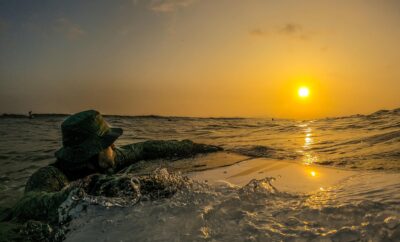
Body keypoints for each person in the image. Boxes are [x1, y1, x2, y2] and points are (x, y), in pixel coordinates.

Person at [1, 110, 222, 241]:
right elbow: (28, 204)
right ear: (92, 151)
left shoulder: (109, 159)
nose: (115, 147)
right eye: (109, 143)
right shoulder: (50, 175)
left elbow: (145, 149)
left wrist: (199, 147)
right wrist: (91, 187)